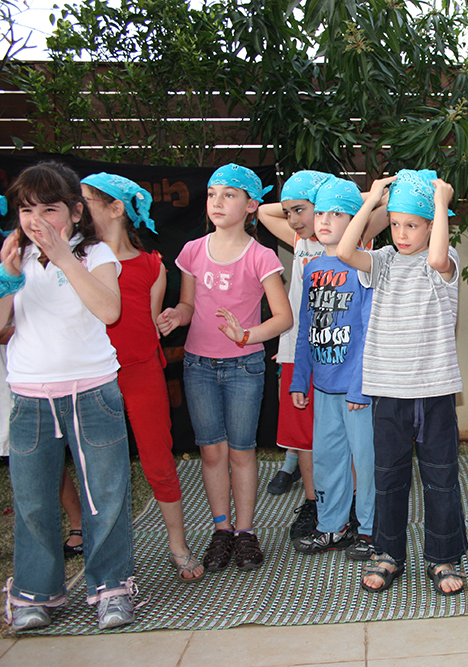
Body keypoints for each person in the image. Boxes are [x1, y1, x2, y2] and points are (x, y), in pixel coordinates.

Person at [0, 161, 135, 631]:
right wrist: (7, 279)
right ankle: (35, 593)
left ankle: (112, 588)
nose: (37, 220)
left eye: (49, 209)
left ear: (76, 212)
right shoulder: (13, 255)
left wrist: (63, 258)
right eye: (27, 210)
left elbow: (109, 310)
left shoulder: (95, 253)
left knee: (106, 496)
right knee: (33, 500)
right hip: (30, 396)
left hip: (92, 392)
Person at [156, 164, 292, 573]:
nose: (217, 201)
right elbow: (188, 304)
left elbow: (282, 317)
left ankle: (245, 532)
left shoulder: (261, 256)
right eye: (213, 193)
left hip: (244, 368)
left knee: (241, 451)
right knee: (211, 452)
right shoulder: (193, 251)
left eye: (229, 194)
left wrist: (247, 335)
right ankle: (222, 530)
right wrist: (176, 316)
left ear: (251, 205)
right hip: (198, 366)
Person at [338, 169, 468, 596]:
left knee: (441, 478)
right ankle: (388, 553)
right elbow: (345, 250)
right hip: (388, 391)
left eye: (412, 225)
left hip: (433, 391)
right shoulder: (383, 262)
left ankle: (443, 556)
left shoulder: (444, 261)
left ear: (431, 225)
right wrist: (372, 199)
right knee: (388, 477)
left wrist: (442, 202)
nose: (401, 234)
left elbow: (435, 257)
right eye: (395, 224)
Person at [82, 172, 203, 581]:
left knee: (157, 458)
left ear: (116, 208)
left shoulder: (153, 265)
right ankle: (91, 541)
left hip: (141, 371)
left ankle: (178, 544)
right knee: (97, 466)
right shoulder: (78, 260)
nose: (77, 209)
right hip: (92, 375)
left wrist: (167, 320)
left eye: (85, 201)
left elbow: (147, 324)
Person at [290, 176, 378, 560]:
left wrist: (360, 387)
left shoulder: (364, 267)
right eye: (321, 212)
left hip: (357, 390)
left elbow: (370, 333)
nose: (325, 220)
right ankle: (332, 526)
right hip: (323, 387)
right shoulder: (311, 268)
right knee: (327, 459)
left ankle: (371, 529)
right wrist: (300, 378)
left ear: (355, 220)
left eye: (337, 213)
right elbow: (306, 327)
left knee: (366, 461)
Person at [256, 170, 328, 541]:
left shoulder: (352, 237)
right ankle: (313, 503)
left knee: (342, 435)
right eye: (289, 212)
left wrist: (329, 199)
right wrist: (295, 208)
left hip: (337, 353)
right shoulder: (300, 241)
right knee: (302, 438)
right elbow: (263, 212)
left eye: (300, 210)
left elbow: (376, 204)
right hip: (296, 352)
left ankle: (348, 505)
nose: (293, 219)